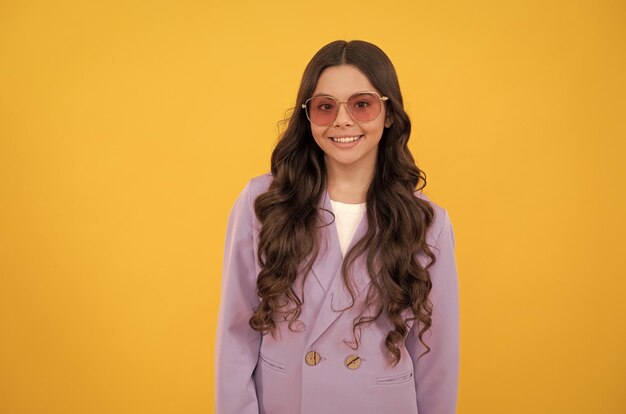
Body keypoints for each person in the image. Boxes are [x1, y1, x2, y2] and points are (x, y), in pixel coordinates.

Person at [215, 40, 459, 414]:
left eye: (362, 104)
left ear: (389, 113)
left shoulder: (427, 223)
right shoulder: (263, 202)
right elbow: (236, 334)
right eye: (325, 107)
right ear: (308, 116)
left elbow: (435, 359)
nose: (343, 121)